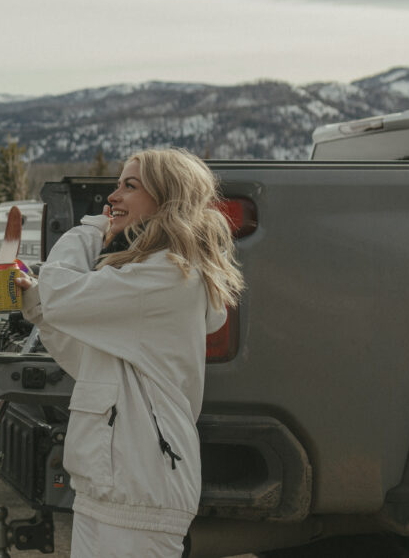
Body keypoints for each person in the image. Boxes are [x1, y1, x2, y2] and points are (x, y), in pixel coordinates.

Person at [16, 148, 243, 558]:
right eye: (117, 185)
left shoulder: (169, 274)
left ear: (168, 197)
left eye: (129, 186)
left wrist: (89, 229)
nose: (112, 197)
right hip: (109, 485)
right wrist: (40, 308)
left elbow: (64, 293)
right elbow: (93, 364)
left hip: (142, 487)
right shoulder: (144, 276)